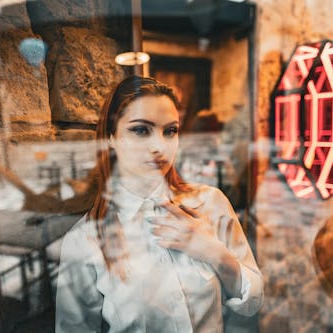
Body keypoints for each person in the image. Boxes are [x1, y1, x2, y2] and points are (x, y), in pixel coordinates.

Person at [55, 76, 263, 333]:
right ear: (111, 137)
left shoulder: (210, 203)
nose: (159, 147)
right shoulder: (84, 241)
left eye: (170, 131)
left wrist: (212, 251)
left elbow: (253, 300)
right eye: (141, 130)